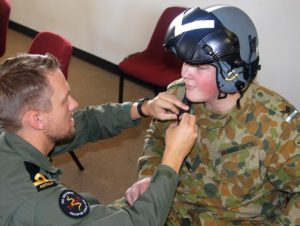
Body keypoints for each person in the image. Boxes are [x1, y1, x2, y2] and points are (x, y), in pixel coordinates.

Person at [126, 5, 300, 225]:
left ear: (232, 72)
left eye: (200, 67)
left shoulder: (278, 126)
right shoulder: (178, 95)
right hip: (168, 208)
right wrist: (150, 176)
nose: (184, 73)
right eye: (186, 62)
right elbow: (157, 137)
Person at [0, 53, 198, 226]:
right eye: (64, 101)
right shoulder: (38, 201)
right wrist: (173, 156)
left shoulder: (15, 130)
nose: (74, 104)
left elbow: (87, 122)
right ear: (37, 119)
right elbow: (138, 222)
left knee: (91, 200)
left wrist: (143, 108)